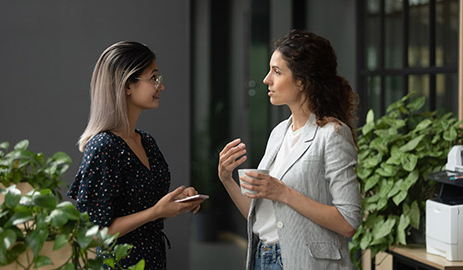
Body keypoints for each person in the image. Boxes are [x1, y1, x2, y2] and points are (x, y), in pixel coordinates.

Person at [218, 30, 361, 270]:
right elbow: (261, 221)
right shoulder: (279, 133)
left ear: (302, 81)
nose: (266, 80)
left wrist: (283, 192)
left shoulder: (333, 134)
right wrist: (227, 179)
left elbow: (349, 221)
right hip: (263, 257)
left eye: (277, 71)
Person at [67, 41, 203, 270]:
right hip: (120, 264)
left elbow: (141, 207)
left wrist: (175, 203)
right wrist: (156, 212)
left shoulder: (146, 141)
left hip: (154, 261)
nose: (161, 87)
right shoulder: (102, 147)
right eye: (154, 78)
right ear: (127, 85)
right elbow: (94, 233)